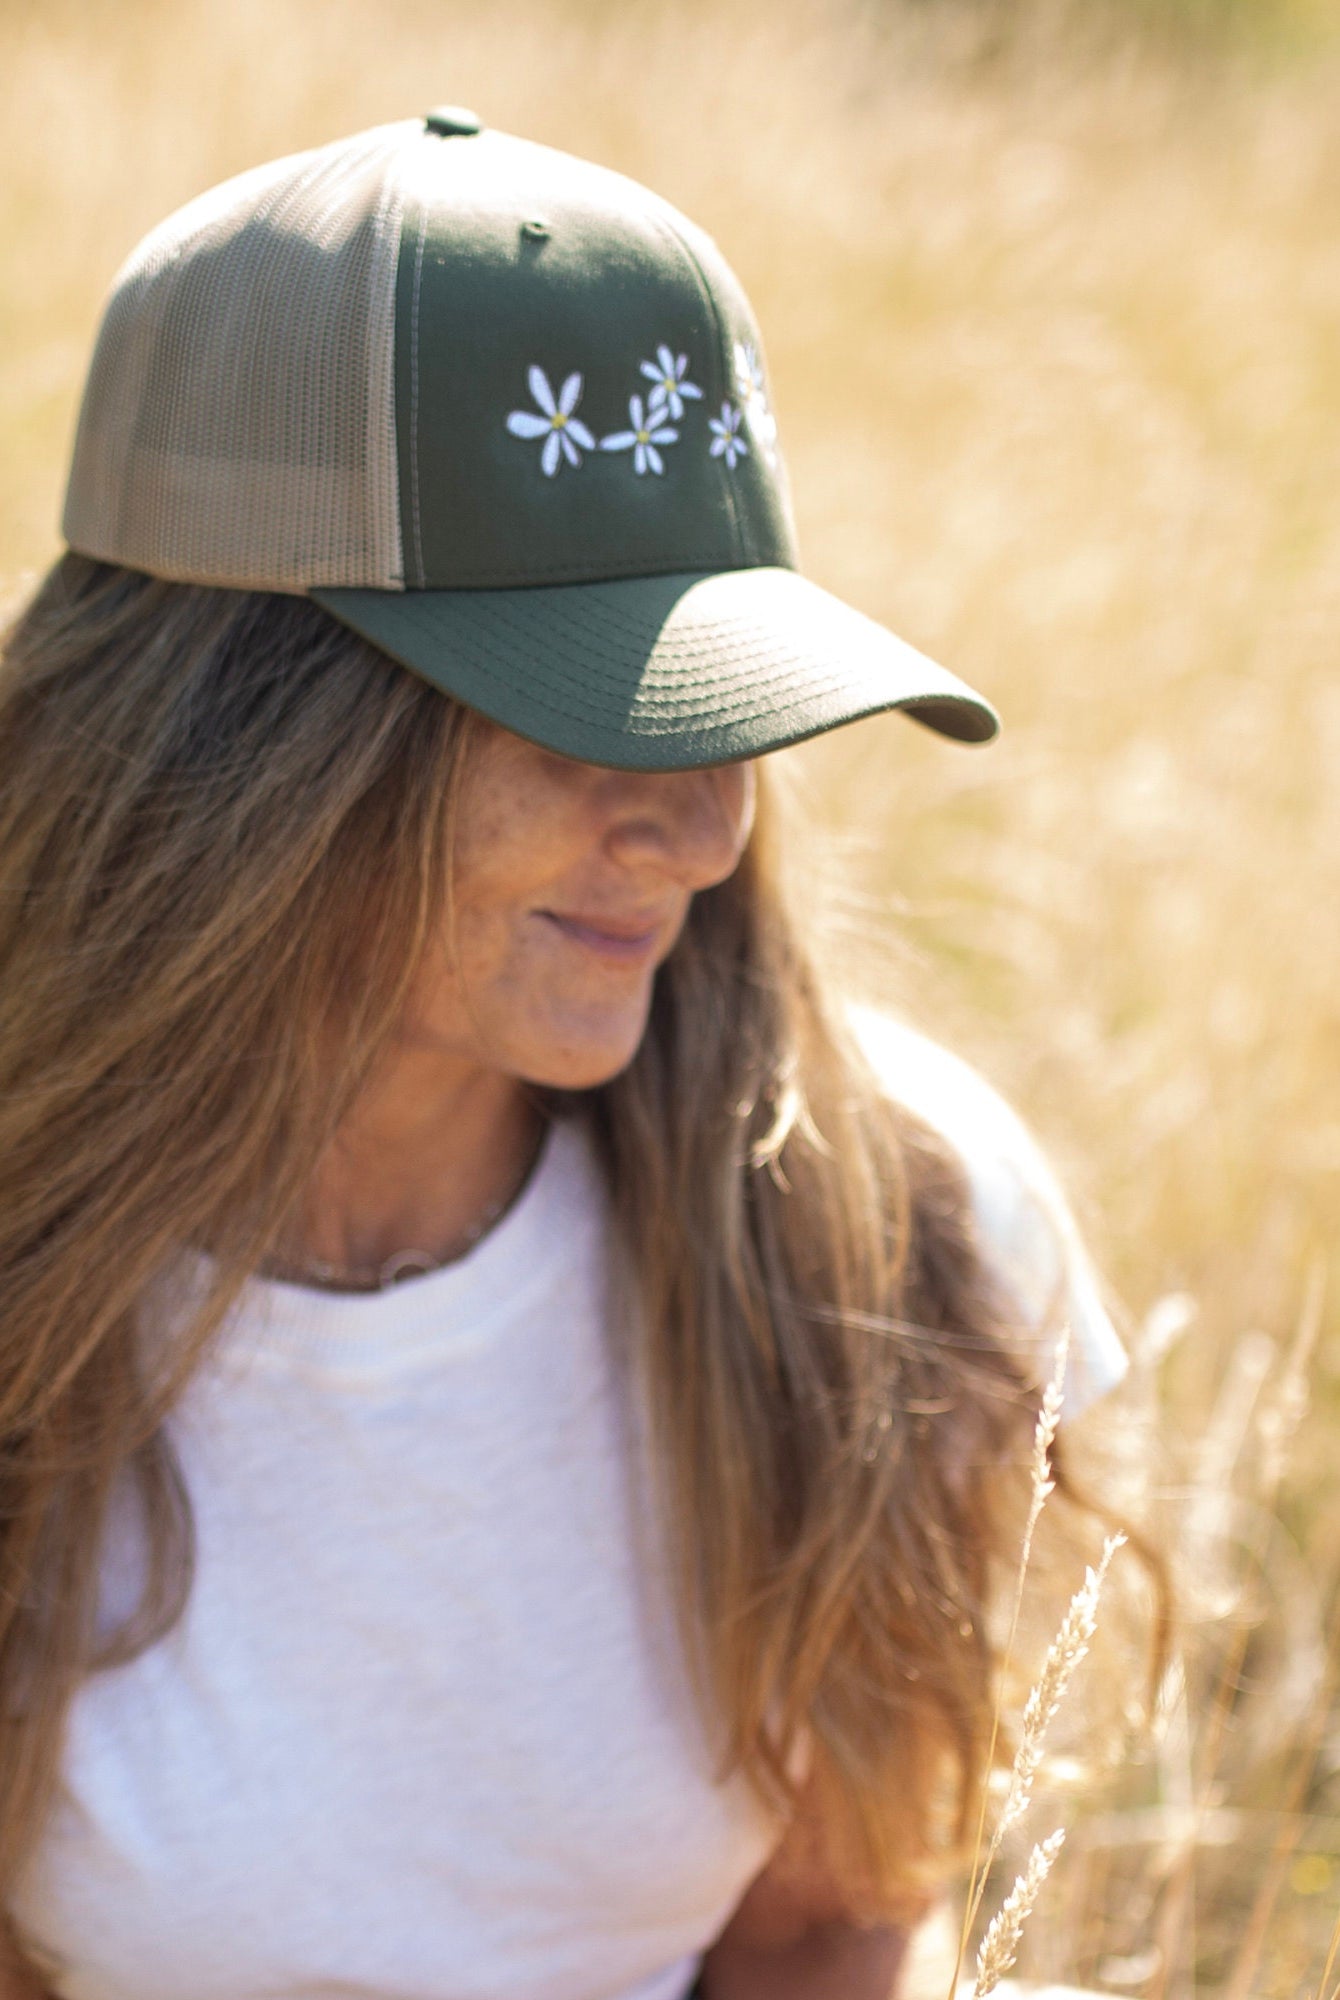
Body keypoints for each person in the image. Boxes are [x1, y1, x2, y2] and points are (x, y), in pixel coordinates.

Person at [0, 110, 1135, 2000]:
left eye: (726, 714)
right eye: (584, 723)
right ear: (240, 745)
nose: (703, 837)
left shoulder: (878, 1235)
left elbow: (825, 1931)